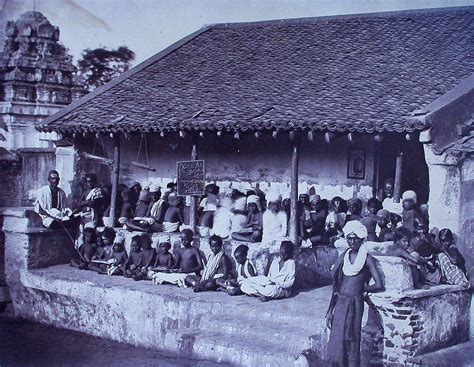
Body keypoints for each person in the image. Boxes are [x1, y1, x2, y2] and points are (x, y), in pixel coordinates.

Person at [325, 220, 384, 367]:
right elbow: (336, 285)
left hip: (355, 302)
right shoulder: (344, 256)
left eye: (355, 238)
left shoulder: (367, 258)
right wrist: (329, 310)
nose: (351, 242)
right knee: (337, 338)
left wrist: (363, 289)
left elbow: (379, 284)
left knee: (352, 339)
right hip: (340, 302)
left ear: (361, 239)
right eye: (349, 238)